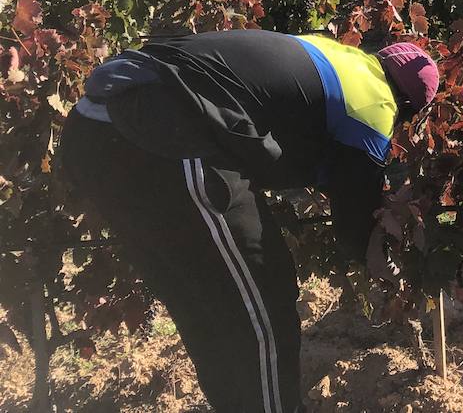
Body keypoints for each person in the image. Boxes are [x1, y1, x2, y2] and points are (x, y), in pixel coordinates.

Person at [60, 31, 439, 413]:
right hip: (162, 132)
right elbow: (353, 229)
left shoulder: (332, 55)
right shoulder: (375, 103)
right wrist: (382, 255)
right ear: (408, 106)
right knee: (266, 299)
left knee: (206, 302)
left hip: (93, 131)